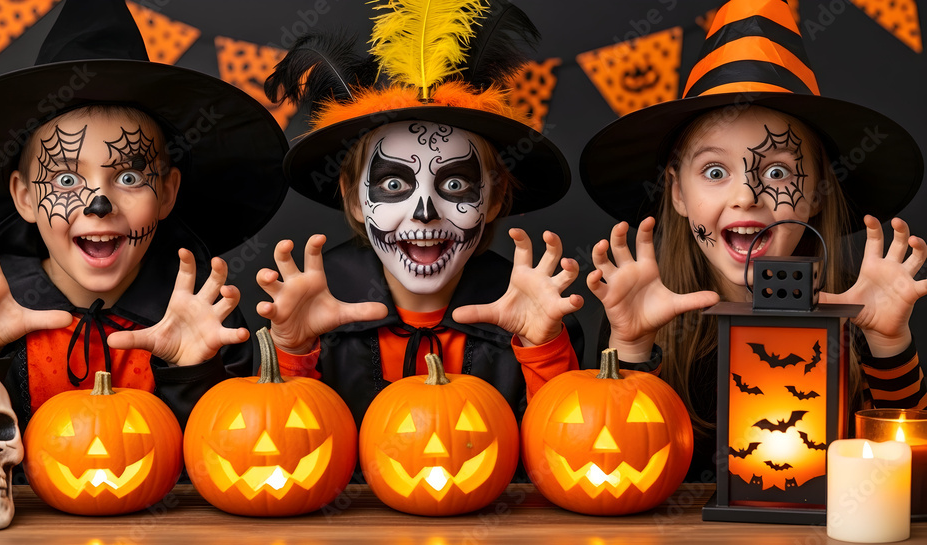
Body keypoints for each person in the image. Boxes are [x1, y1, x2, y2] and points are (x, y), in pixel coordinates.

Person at [579, 0, 926, 482]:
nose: (746, 196)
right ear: (678, 193)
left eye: (778, 171)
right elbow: (611, 468)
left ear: (817, 194)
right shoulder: (642, 317)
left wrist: (889, 344)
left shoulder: (858, 312)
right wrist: (633, 346)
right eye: (715, 171)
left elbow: (908, 478)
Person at [0, 0, 289, 431]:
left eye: (131, 177)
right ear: (24, 197)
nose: (98, 205)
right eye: (65, 180)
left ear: (168, 193)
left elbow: (231, 459)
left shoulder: (203, 316)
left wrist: (193, 371)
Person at [260, 0, 584, 429]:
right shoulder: (314, 311)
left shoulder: (534, 312)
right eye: (394, 185)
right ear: (354, 199)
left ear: (493, 198)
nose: (425, 212)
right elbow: (278, 452)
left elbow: (569, 445)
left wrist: (543, 347)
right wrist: (293, 351)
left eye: (454, 185)